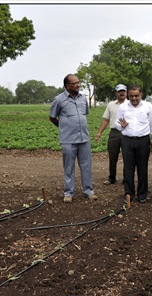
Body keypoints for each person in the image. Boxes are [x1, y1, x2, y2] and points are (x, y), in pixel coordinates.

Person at [49, 74, 98, 203]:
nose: (77, 85)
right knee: (68, 166)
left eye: (78, 83)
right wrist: (63, 127)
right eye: (74, 83)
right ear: (67, 86)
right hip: (68, 139)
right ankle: (68, 193)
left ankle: (88, 191)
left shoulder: (83, 99)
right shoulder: (59, 100)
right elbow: (52, 117)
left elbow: (84, 114)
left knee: (86, 165)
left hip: (84, 138)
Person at [115, 85, 152, 203]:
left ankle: (142, 194)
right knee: (128, 168)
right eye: (131, 96)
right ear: (128, 96)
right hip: (127, 140)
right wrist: (121, 125)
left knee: (142, 168)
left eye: (136, 96)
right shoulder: (123, 107)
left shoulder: (147, 106)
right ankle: (129, 193)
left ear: (141, 95)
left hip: (143, 140)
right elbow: (116, 123)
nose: (134, 98)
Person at [95, 84, 128, 185]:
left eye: (123, 91)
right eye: (119, 91)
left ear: (126, 93)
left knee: (127, 156)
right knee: (113, 156)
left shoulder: (131, 104)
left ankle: (127, 178)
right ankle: (112, 177)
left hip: (127, 132)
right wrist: (99, 132)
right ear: (116, 93)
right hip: (114, 133)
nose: (121, 93)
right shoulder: (111, 105)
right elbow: (106, 119)